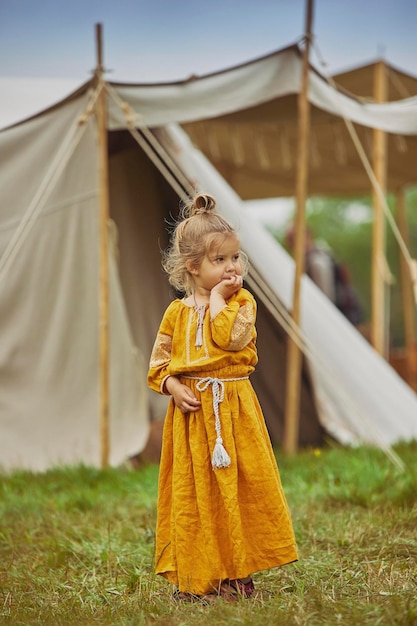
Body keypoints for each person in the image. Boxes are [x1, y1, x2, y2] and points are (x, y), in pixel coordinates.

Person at [148, 192, 298, 602]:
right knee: (196, 494)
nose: (232, 267)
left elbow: (229, 338)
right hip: (193, 419)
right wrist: (174, 387)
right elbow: (159, 363)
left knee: (237, 491)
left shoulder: (241, 303)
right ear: (193, 267)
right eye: (221, 261)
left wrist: (217, 299)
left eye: (236, 258)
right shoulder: (176, 313)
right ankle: (199, 576)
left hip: (232, 412)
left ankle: (236, 575)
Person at [285, 224, 363, 326]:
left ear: (307, 236)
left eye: (294, 238)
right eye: (290, 240)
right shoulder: (312, 259)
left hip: (332, 319)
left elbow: (325, 300)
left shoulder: (316, 263)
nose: (292, 243)